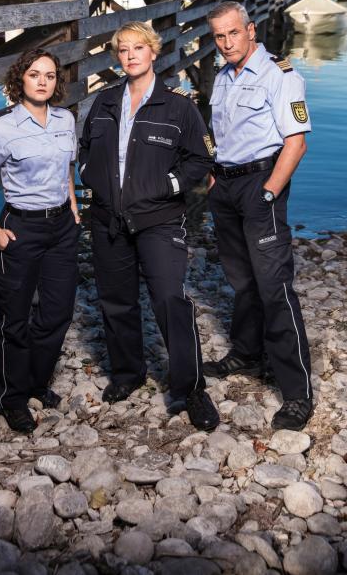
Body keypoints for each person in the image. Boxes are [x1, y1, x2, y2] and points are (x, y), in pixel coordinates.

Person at [78, 21, 220, 431]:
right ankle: (128, 374)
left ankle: (192, 389)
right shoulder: (104, 102)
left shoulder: (178, 106)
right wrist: (90, 176)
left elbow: (201, 158)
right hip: (108, 218)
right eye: (123, 50)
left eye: (138, 48)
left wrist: (167, 186)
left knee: (170, 300)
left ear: (153, 52)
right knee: (116, 300)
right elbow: (85, 149)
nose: (130, 56)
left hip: (159, 219)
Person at [204, 1, 313, 431]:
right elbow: (218, 134)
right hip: (226, 186)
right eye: (219, 36)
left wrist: (269, 191)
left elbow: (296, 142)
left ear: (250, 31)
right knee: (242, 280)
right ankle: (247, 354)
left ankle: (298, 393)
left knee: (274, 287)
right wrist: (214, 178)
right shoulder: (223, 77)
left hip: (260, 185)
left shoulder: (279, 75)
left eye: (233, 33)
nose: (227, 42)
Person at [0, 49, 80, 434]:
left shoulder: (66, 120)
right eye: (34, 74)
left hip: (61, 227)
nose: (42, 81)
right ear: (21, 79)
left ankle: (36, 382)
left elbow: (66, 168)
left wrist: (73, 205)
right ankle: (13, 398)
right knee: (14, 317)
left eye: (49, 75)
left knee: (58, 312)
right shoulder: (1, 129)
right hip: (21, 227)